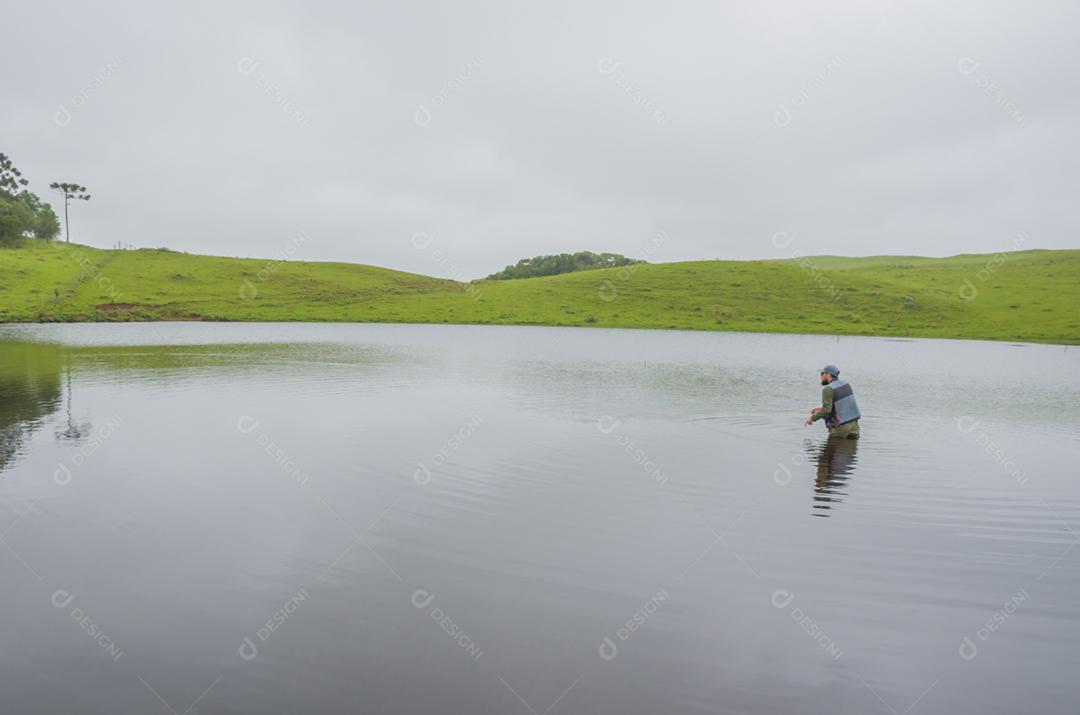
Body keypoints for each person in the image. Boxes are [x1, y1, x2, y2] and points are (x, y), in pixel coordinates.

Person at [804, 365, 861, 438]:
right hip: (854, 426)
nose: (821, 376)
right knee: (850, 449)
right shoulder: (846, 384)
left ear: (828, 375)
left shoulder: (828, 389)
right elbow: (842, 407)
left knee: (830, 449)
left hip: (840, 428)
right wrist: (819, 410)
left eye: (822, 374)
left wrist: (812, 418)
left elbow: (826, 410)